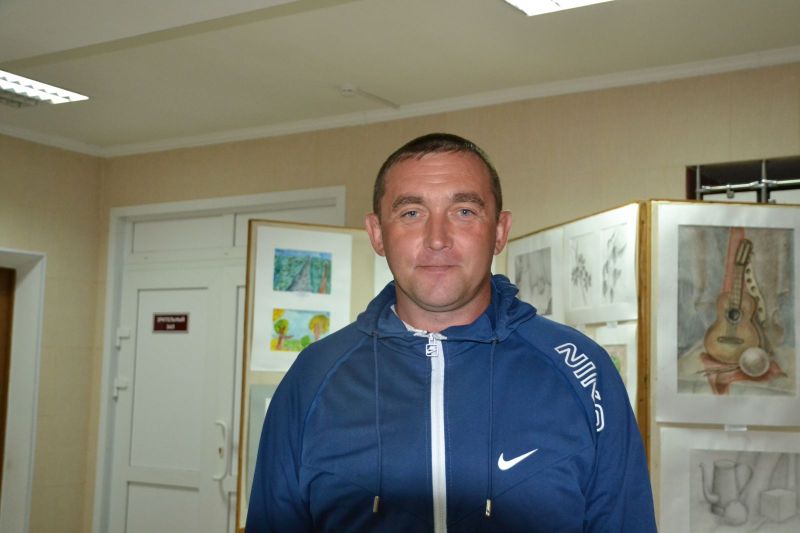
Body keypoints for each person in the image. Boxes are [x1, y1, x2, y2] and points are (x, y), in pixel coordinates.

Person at [246, 133, 657, 532]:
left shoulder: (582, 370)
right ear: (377, 233)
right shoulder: (313, 376)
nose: (437, 239)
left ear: (500, 231)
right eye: (412, 213)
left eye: (464, 211)